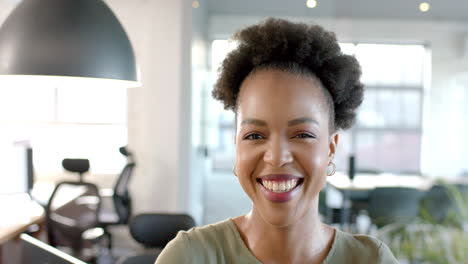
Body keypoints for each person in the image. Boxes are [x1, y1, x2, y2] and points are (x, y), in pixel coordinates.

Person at [155, 18, 399, 264]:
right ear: (237, 147)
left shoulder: (371, 260)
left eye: (302, 135)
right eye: (254, 136)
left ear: (330, 149)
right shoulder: (189, 256)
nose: (276, 156)